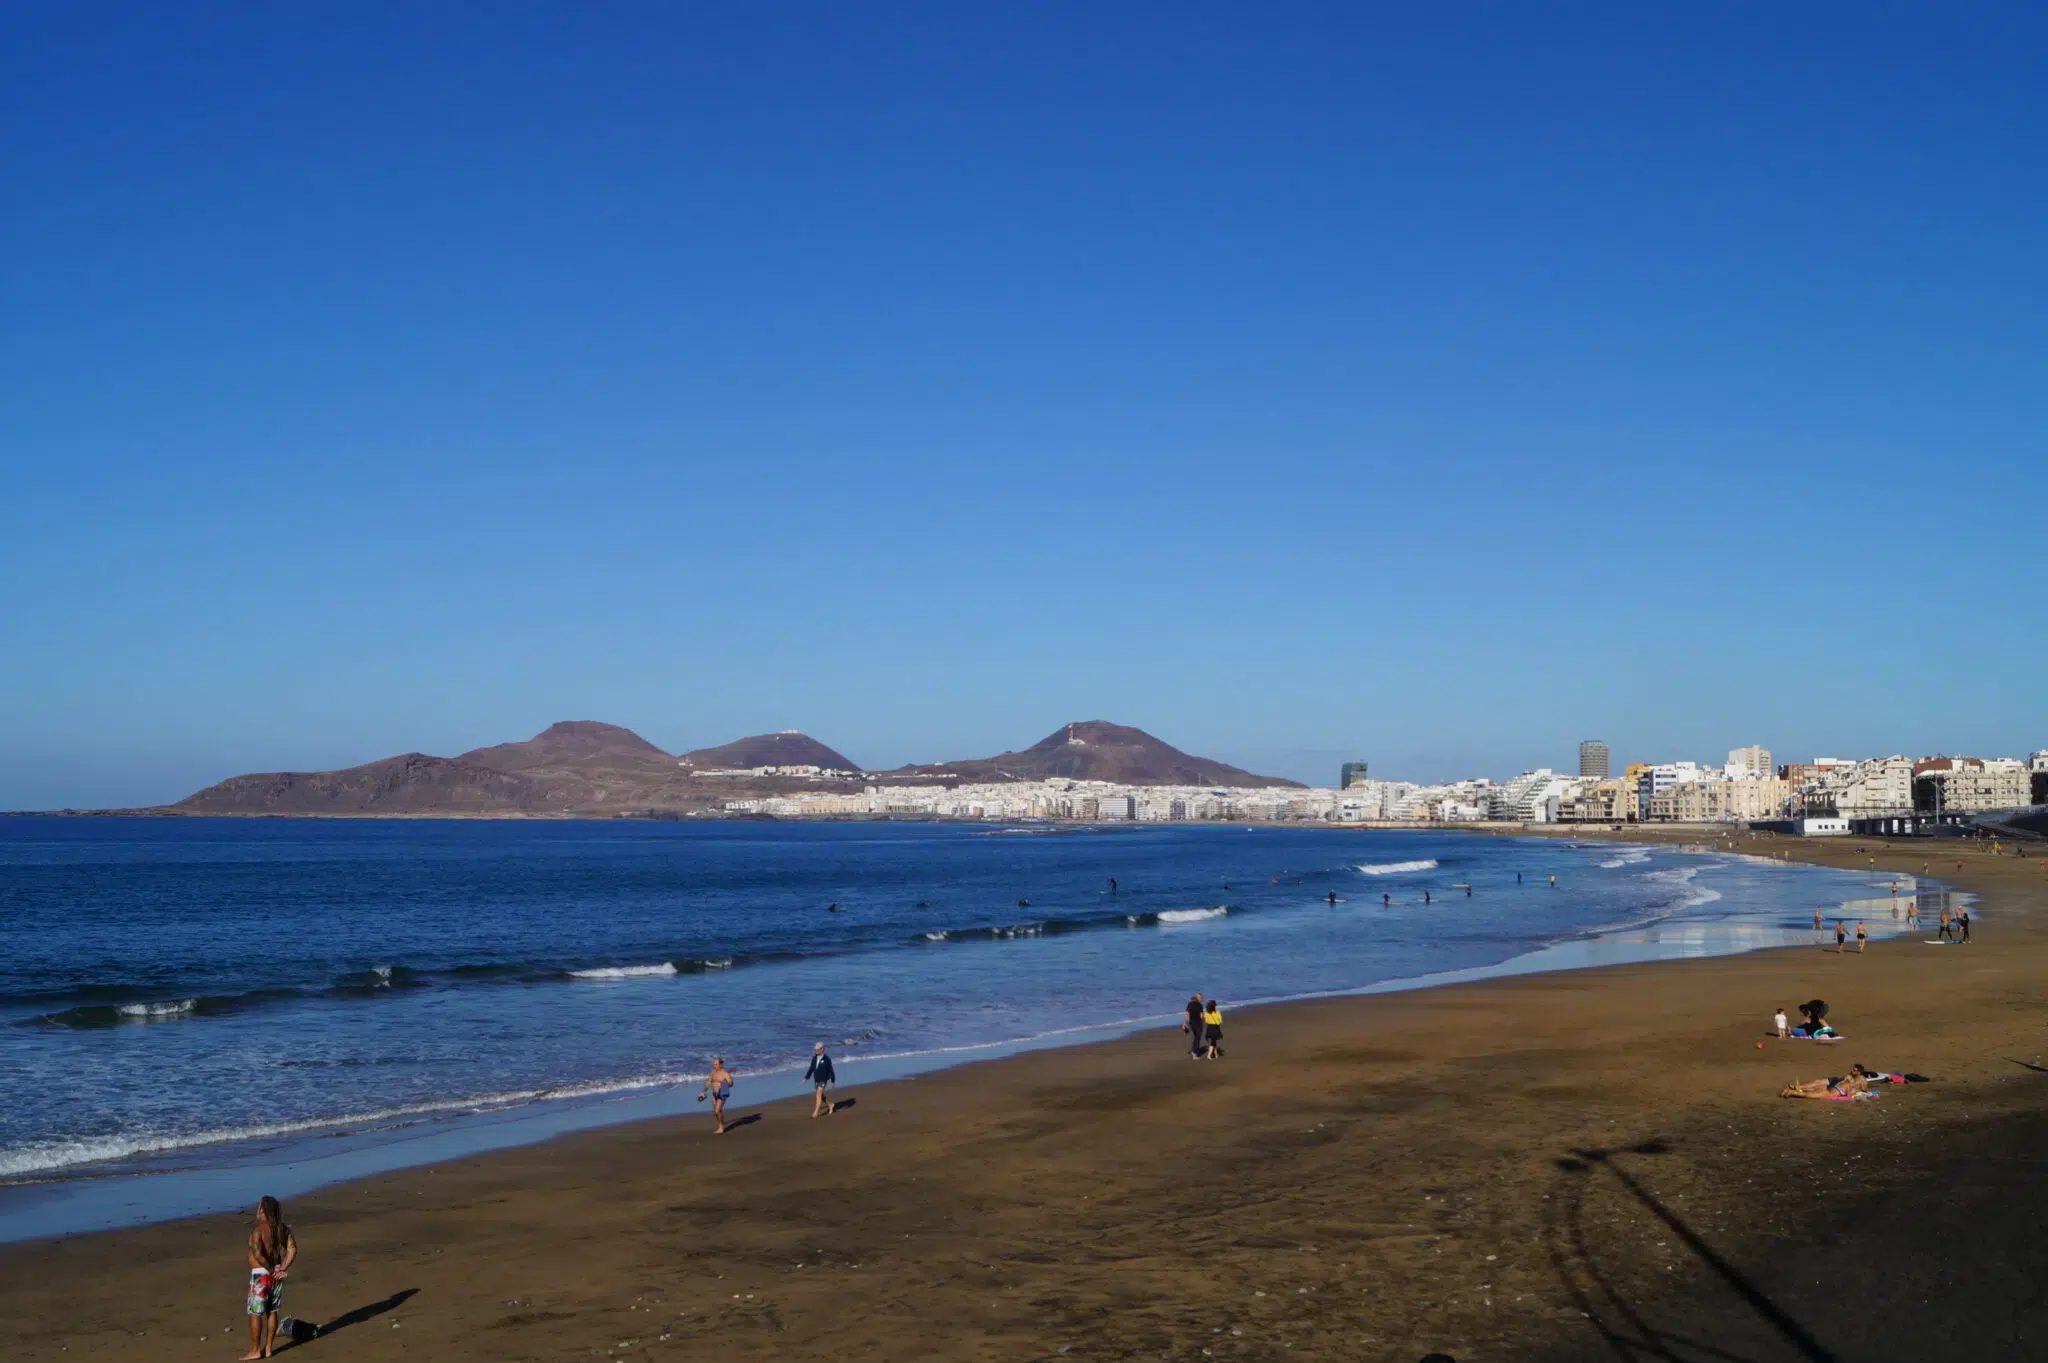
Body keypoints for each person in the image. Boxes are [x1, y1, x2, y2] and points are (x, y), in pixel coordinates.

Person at [243, 1195, 298, 1360]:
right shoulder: (282, 1229)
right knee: (272, 1311)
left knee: (256, 1313)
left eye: (260, 1208)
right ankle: (268, 1348)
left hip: (261, 1275)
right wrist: (282, 1267)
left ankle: (255, 1350)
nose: (258, 1211)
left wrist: (269, 1269)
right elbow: (292, 1248)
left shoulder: (258, 1230)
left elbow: (257, 1253)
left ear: (264, 1211)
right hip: (275, 1275)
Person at [699, 1056, 735, 1134]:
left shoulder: (725, 1073)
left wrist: (728, 1082)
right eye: (714, 1064)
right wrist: (703, 1092)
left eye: (716, 1064)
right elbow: (708, 1082)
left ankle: (721, 1128)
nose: (714, 1066)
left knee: (717, 1110)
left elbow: (731, 1084)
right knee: (717, 1111)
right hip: (714, 1093)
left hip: (722, 1092)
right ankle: (720, 1124)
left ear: (721, 1064)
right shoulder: (713, 1072)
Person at [805, 1042, 838, 1117]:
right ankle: (830, 1104)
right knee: (821, 1096)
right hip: (816, 1079)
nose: (816, 1050)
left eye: (818, 1049)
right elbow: (811, 1068)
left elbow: (831, 1070)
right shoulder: (814, 1058)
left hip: (824, 1079)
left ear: (822, 1049)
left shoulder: (827, 1059)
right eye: (815, 1049)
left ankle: (815, 1113)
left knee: (818, 1094)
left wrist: (833, 1081)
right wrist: (806, 1077)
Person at [1184, 993, 1206, 1058]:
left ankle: (1194, 1049)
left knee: (1195, 1037)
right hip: (1198, 1023)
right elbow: (1201, 1016)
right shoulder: (1200, 1005)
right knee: (1198, 1038)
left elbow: (1186, 1014)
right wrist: (1205, 1017)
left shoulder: (1190, 1004)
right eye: (1201, 998)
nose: (1202, 999)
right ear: (1198, 998)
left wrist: (1184, 1023)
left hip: (1191, 1023)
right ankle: (1195, 1052)